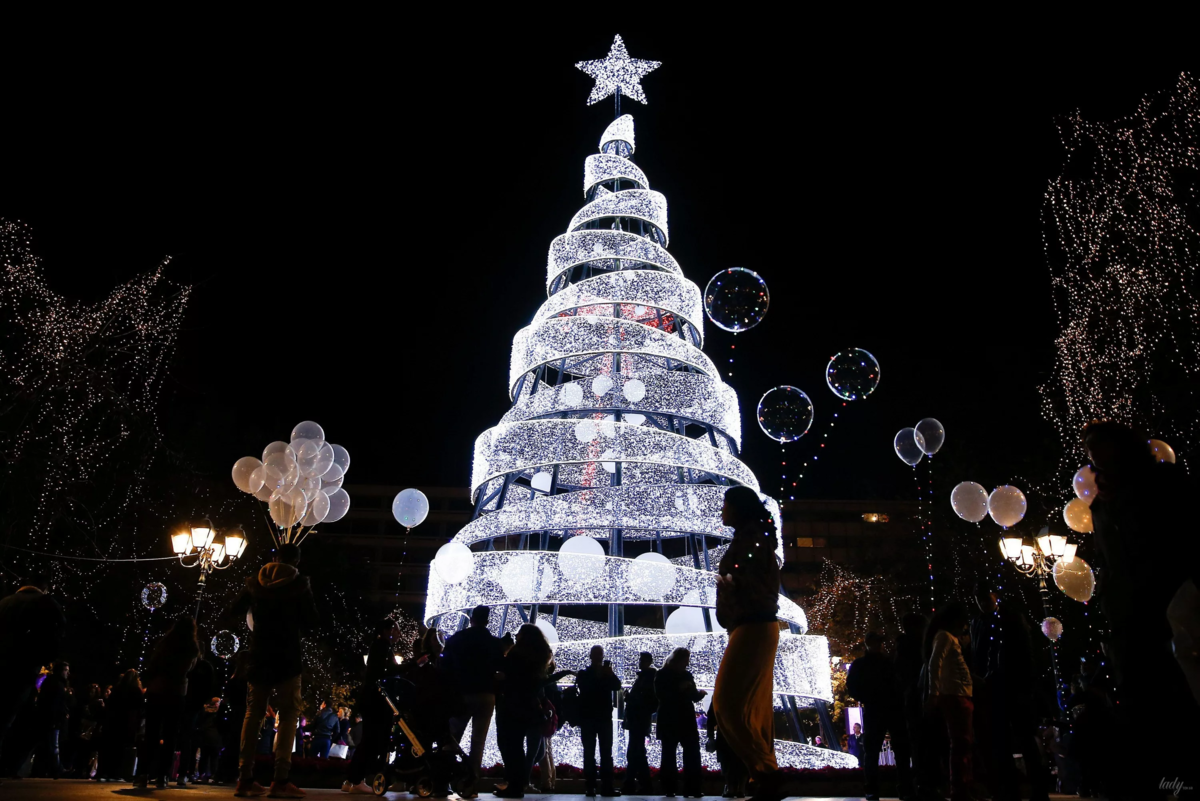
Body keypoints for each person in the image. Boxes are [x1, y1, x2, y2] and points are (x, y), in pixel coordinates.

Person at [1084, 420, 1200, 796]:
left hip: (1170, 600)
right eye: (1089, 448)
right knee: (1138, 695)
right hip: (1126, 611)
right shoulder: (1100, 503)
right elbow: (1108, 556)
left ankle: (1183, 778)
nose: (1093, 454)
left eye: (1100, 445)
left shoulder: (1161, 484)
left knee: (1177, 689)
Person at [223, 542, 318, 798]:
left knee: (253, 713)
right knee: (288, 716)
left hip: (259, 655)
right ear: (296, 562)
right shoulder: (300, 585)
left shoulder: (255, 582)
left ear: (275, 557)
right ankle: (281, 779)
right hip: (287, 657)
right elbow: (311, 622)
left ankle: (244, 778)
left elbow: (234, 610)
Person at [712, 485, 783, 801]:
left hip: (754, 626)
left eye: (726, 505)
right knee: (753, 707)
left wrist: (731, 586)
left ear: (738, 508)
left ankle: (766, 771)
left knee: (726, 703)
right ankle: (764, 776)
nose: (722, 511)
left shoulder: (752, 541)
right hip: (752, 626)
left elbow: (750, 579)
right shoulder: (750, 538)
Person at [0, 575, 66, 769]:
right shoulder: (44, 603)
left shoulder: (5, 602)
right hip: (24, 666)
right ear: (43, 587)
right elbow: (57, 630)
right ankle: (10, 765)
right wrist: (44, 659)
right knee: (13, 717)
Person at [443, 604, 505, 798]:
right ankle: (471, 785)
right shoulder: (493, 643)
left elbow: (445, 665)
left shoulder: (457, 639)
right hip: (486, 694)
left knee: (452, 736)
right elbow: (500, 668)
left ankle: (443, 779)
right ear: (487, 620)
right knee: (477, 742)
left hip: (461, 693)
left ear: (471, 618)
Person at [135, 615, 200, 789]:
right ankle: (163, 775)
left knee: (151, 733)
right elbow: (189, 668)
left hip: (157, 689)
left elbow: (153, 665)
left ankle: (143, 773)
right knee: (170, 735)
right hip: (176, 692)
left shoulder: (164, 645)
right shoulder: (192, 648)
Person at [847, 631, 912, 801]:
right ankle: (900, 789)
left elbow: (853, 687)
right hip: (887, 709)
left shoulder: (868, 663)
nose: (878, 645)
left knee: (878, 751)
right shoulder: (886, 662)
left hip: (880, 709)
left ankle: (878, 789)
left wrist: (867, 697)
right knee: (889, 750)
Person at [344, 618, 404, 794]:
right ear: (389, 630)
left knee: (370, 740)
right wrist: (411, 665)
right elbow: (387, 672)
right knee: (373, 741)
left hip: (373, 700)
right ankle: (357, 779)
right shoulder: (382, 647)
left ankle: (352, 779)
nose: (399, 633)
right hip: (377, 701)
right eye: (397, 629)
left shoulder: (380, 646)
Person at [494, 623, 552, 799]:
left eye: (519, 634)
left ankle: (514, 784)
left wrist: (504, 652)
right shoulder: (539, 658)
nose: (516, 636)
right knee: (517, 747)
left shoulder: (516, 655)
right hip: (527, 707)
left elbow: (506, 674)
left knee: (509, 746)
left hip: (511, 705)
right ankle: (517, 784)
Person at [925, 601, 973, 801]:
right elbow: (935, 663)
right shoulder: (944, 637)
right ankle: (959, 789)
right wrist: (933, 693)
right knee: (960, 742)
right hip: (954, 694)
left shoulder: (950, 638)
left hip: (961, 694)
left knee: (964, 742)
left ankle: (963, 787)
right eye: (963, 622)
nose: (965, 626)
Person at [655, 647, 706, 798]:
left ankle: (671, 788)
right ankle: (691, 788)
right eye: (685, 660)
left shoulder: (663, 674)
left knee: (670, 754)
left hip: (671, 719)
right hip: (682, 718)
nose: (687, 663)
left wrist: (698, 694)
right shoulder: (680, 675)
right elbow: (662, 695)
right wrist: (688, 691)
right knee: (690, 753)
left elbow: (661, 695)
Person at [895, 613, 933, 800]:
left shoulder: (903, 648)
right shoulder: (918, 648)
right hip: (918, 701)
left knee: (918, 746)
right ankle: (924, 786)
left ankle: (917, 786)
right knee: (922, 745)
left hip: (912, 701)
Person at [575, 644, 622, 796]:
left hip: (595, 718)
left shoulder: (588, 674)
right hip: (596, 717)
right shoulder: (584, 674)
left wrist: (610, 674)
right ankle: (597, 786)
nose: (598, 657)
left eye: (599, 654)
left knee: (598, 752)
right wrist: (606, 676)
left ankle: (596, 786)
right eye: (597, 654)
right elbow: (588, 689)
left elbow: (616, 685)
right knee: (597, 752)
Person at [620, 652, 657, 795]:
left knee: (635, 752)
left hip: (638, 720)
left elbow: (647, 701)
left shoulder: (646, 679)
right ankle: (639, 784)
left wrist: (630, 699)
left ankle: (633, 784)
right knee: (637, 752)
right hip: (639, 720)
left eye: (643, 660)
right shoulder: (646, 678)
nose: (640, 662)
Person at [97, 668, 143, 782]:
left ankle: (104, 772)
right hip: (127, 723)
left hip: (113, 722)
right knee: (121, 749)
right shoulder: (136, 691)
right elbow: (140, 709)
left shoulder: (117, 689)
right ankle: (117, 773)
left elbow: (110, 706)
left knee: (110, 747)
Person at [179, 651, 216, 784]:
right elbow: (210, 686)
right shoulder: (204, 667)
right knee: (189, 740)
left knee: (184, 739)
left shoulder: (186, 664)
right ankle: (184, 773)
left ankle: (174, 773)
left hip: (185, 702)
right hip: (193, 704)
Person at [35, 660, 71, 778]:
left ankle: (52, 769)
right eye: (65, 670)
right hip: (52, 718)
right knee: (53, 745)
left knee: (50, 745)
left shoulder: (57, 683)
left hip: (54, 718)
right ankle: (57, 769)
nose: (67, 673)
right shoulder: (55, 683)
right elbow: (54, 702)